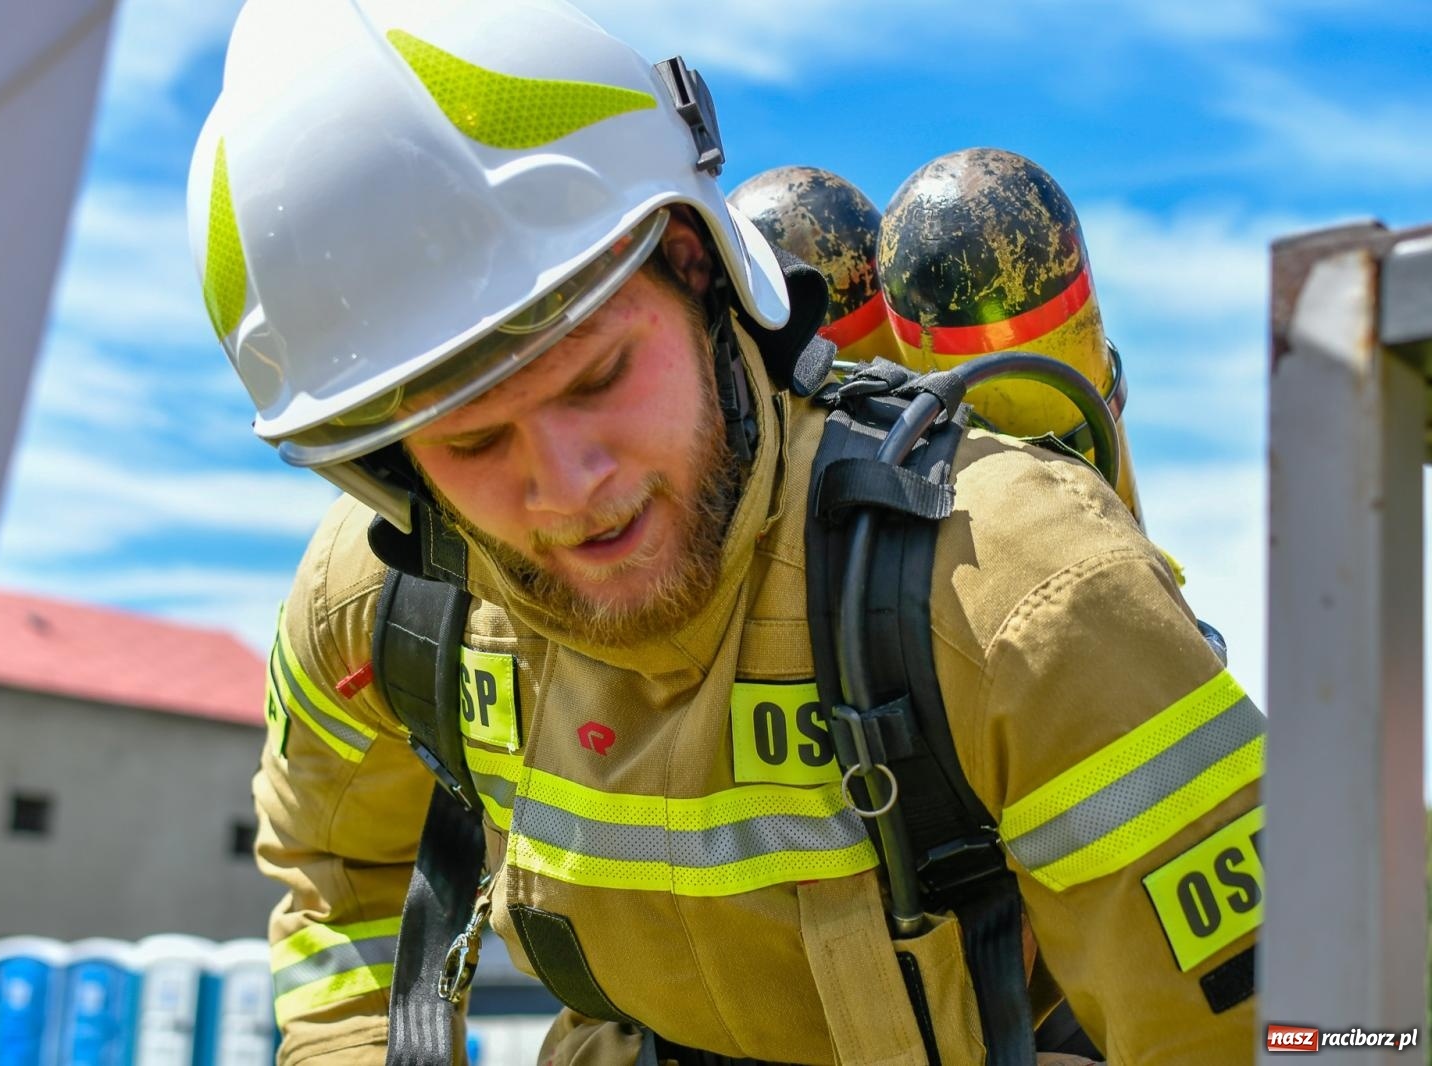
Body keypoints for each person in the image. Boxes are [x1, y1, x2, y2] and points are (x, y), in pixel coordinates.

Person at [187, 1, 1264, 1063]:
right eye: (472, 444)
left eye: (601, 375)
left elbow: (1295, 1033)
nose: (569, 487)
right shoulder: (376, 607)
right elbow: (336, 880)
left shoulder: (1019, 596)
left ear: (698, 266)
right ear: (385, 462)